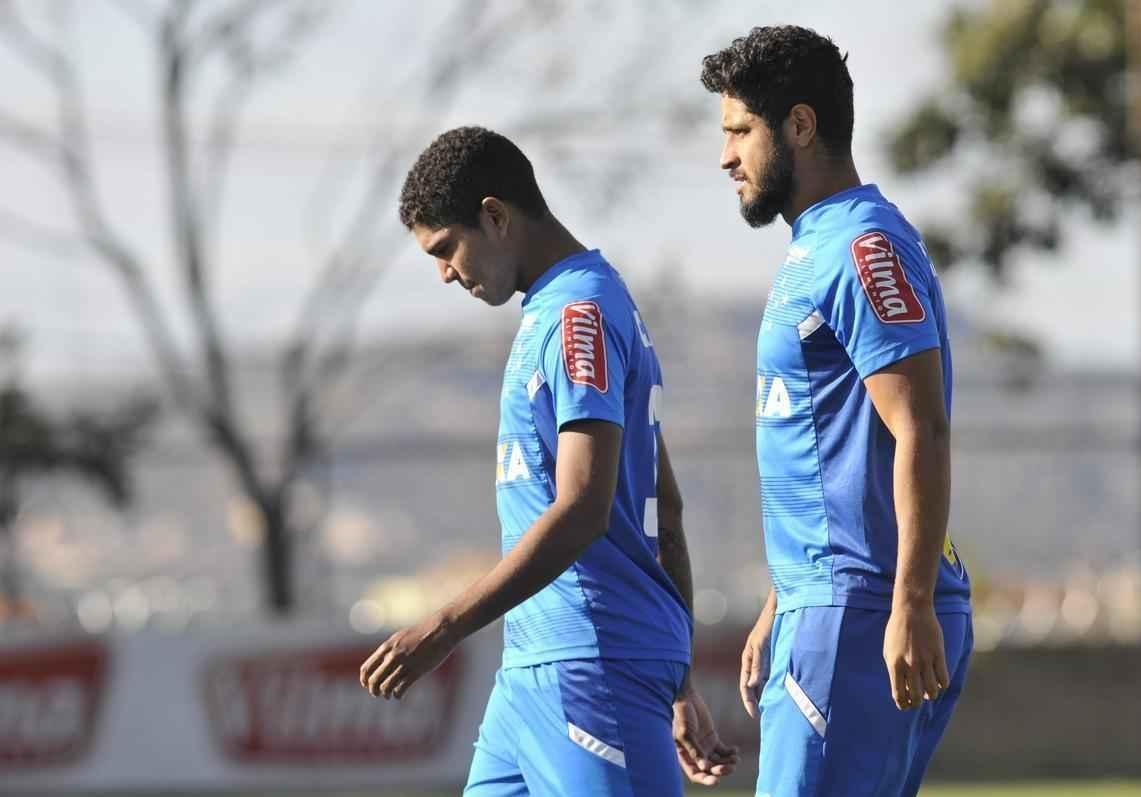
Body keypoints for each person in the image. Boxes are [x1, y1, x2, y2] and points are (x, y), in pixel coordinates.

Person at [358, 126, 738, 795]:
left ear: (495, 216)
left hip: (593, 666)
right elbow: (663, 504)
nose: (445, 272)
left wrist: (444, 627)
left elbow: (585, 504)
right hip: (536, 671)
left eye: (446, 249)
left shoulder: (577, 315)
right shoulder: (563, 308)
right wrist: (676, 679)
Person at [699, 26, 973, 796]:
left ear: (800, 125)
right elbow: (833, 449)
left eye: (739, 132)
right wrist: (783, 598)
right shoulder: (816, 248)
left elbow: (920, 425)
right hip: (831, 603)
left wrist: (908, 601)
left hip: (859, 611)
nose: (726, 158)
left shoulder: (861, 246)